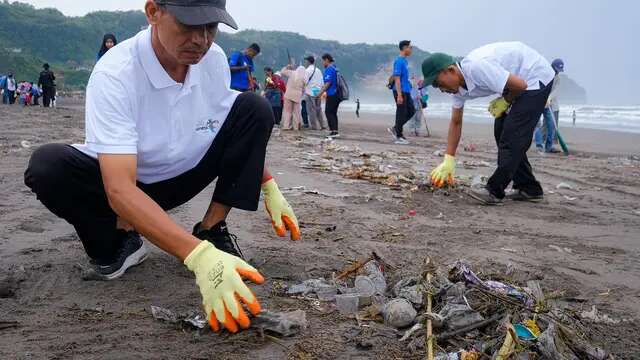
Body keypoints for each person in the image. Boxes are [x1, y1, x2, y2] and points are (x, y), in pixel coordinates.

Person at [24, 0, 301, 335]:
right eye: (188, 25)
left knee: (255, 108)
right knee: (47, 166)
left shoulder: (212, 60)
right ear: (153, 12)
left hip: (184, 173)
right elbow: (118, 188)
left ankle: (211, 231)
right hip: (127, 183)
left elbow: (226, 120)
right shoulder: (116, 72)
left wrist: (268, 182)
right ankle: (123, 240)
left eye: (210, 27)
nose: (200, 39)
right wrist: (196, 257)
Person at [423, 42, 556, 205]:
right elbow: (456, 122)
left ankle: (494, 190)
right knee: (500, 130)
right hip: (516, 82)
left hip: (535, 76)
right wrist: (448, 160)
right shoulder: (457, 91)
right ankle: (529, 187)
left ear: (450, 70)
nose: (439, 89)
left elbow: (521, 85)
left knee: (512, 136)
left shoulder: (477, 68)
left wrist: (506, 100)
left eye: (438, 83)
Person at [534, 58, 564, 153]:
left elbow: (556, 91)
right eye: (556, 70)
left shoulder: (558, 78)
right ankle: (539, 146)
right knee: (537, 124)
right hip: (538, 101)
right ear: (552, 67)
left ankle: (549, 147)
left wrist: (549, 98)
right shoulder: (544, 74)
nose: (557, 72)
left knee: (551, 125)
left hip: (548, 103)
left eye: (558, 71)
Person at [388, 40, 415, 145]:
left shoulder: (405, 61)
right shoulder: (398, 61)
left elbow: (404, 77)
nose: (411, 49)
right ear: (404, 48)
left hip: (407, 90)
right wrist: (399, 95)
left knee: (411, 111)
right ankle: (399, 136)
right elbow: (397, 78)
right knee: (401, 112)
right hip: (400, 91)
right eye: (410, 47)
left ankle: (396, 128)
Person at [319, 53, 341, 138]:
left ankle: (333, 132)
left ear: (327, 60)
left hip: (332, 93)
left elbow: (328, 83)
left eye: (323, 61)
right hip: (337, 94)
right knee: (333, 113)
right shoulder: (335, 68)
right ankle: (335, 131)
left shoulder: (329, 69)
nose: (322, 63)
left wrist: (320, 93)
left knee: (328, 112)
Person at [279, 64, 306, 131]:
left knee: (288, 111)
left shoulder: (292, 73)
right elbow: (304, 89)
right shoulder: (304, 77)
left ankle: (286, 126)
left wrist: (287, 66)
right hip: (297, 96)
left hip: (288, 94)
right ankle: (295, 127)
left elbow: (282, 71)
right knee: (296, 112)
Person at [303, 56, 326, 130]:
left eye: (306, 61)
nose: (305, 62)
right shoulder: (318, 70)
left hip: (310, 91)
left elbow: (305, 81)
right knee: (318, 109)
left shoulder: (307, 70)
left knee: (311, 110)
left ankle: (314, 126)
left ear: (308, 62)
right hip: (318, 91)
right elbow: (322, 82)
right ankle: (322, 125)